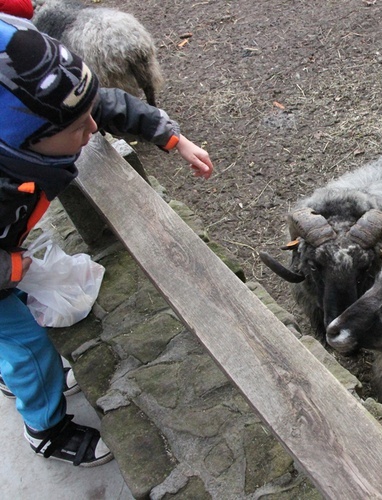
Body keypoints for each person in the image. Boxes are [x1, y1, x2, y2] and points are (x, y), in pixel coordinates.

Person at [0, 13, 213, 467]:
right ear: (25, 142)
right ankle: (46, 428)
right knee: (30, 349)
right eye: (78, 130)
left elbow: (106, 106)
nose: (92, 130)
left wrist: (173, 139)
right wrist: (16, 269)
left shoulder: (46, 119)